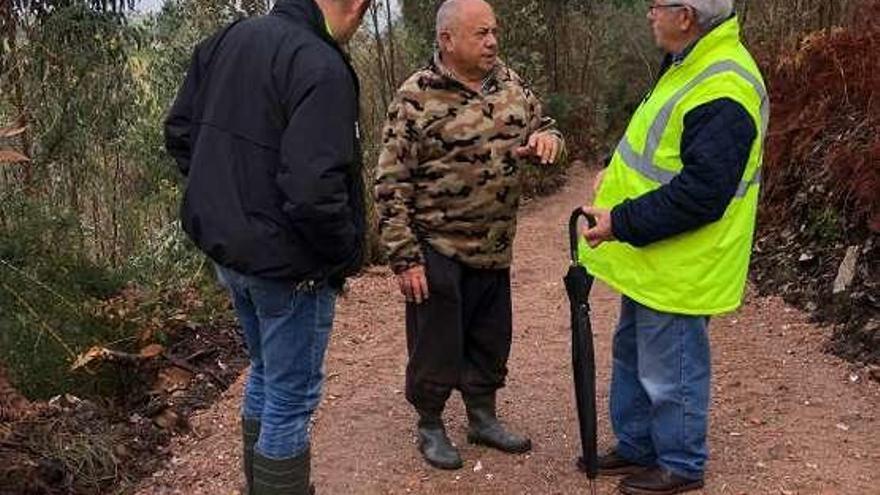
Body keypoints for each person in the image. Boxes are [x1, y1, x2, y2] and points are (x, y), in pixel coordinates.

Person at [164, 0, 371, 493]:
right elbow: (313, 190)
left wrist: (228, 203)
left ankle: (258, 486)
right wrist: (342, 254)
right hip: (289, 269)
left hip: (231, 257)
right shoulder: (321, 65)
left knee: (264, 374)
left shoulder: (227, 41)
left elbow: (179, 134)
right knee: (290, 400)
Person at [579, 1, 768, 493]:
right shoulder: (691, 60)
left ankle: (681, 462)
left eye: (656, 5)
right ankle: (638, 445)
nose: (648, 13)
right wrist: (611, 168)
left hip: (684, 263)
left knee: (672, 366)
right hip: (654, 257)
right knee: (633, 351)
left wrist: (621, 220)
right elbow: (657, 138)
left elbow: (701, 195)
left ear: (685, 16)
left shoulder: (724, 85)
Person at [374, 0, 565, 471]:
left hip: (496, 246)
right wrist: (404, 258)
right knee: (435, 343)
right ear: (447, 40)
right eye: (480, 34)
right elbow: (390, 181)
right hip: (437, 246)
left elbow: (548, 128)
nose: (493, 42)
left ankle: (482, 417)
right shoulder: (415, 96)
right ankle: (431, 423)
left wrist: (549, 144)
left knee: (490, 338)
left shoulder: (511, 82)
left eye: (494, 32)